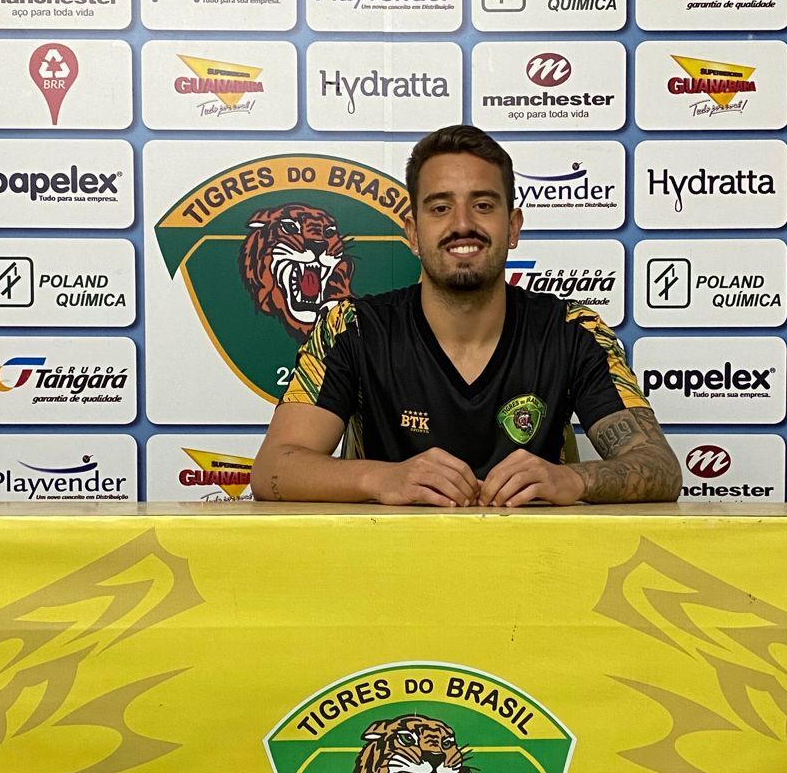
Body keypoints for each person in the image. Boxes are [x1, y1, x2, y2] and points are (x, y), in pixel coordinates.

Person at [251, 125, 680, 507]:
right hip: (387, 560)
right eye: (440, 207)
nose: (462, 224)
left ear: (513, 227)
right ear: (413, 233)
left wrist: (572, 479)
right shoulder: (352, 329)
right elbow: (274, 468)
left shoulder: (572, 332)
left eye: (483, 205)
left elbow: (660, 467)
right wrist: (383, 478)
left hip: (535, 563)